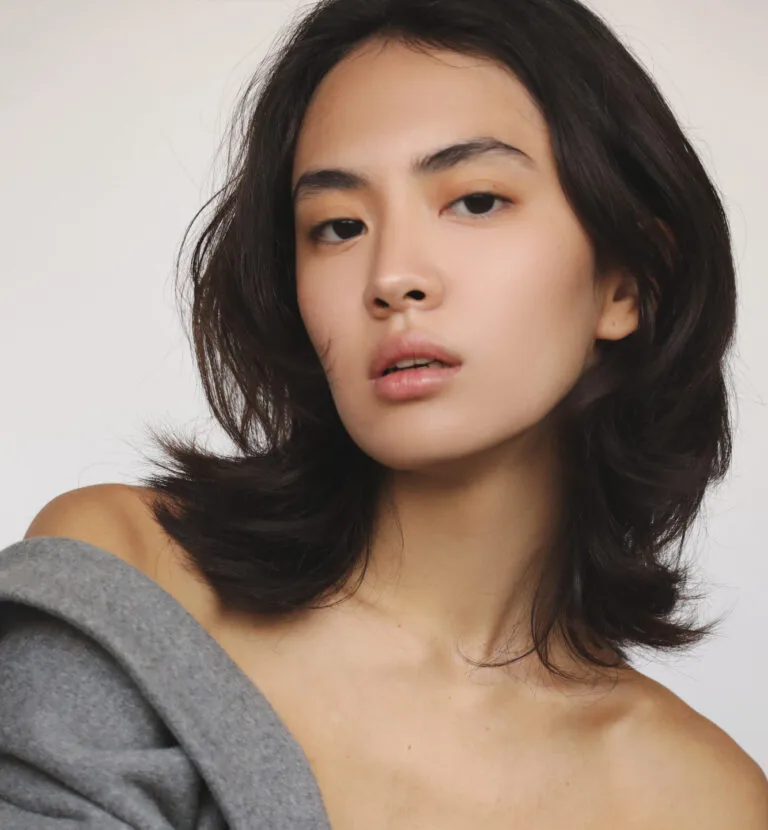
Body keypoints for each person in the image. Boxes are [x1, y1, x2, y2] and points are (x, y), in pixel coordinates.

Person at [1, 0, 766, 827]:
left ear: (628, 284)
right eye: (338, 227)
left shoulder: (699, 801)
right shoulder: (132, 579)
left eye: (476, 201)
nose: (392, 276)